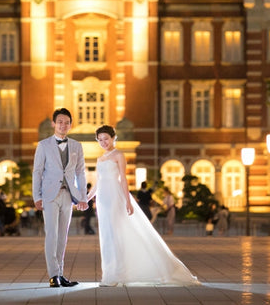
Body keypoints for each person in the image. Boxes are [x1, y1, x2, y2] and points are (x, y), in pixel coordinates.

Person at [87, 124, 199, 286]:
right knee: (106, 235)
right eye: (100, 140)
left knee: (114, 234)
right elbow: (98, 182)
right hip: (102, 200)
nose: (103, 142)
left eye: (106, 138)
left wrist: (127, 200)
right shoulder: (100, 158)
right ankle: (109, 274)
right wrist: (88, 197)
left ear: (113, 138)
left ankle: (116, 275)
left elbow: (123, 179)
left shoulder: (118, 155)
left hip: (114, 197)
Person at [32, 108, 88, 288]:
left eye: (67, 122)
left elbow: (80, 172)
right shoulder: (43, 145)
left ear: (70, 125)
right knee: (52, 235)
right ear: (53, 124)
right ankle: (53, 275)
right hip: (49, 196)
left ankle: (60, 274)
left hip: (68, 195)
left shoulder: (76, 146)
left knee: (62, 236)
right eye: (60, 122)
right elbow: (37, 172)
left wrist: (82, 197)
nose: (63, 125)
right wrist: (36, 196)